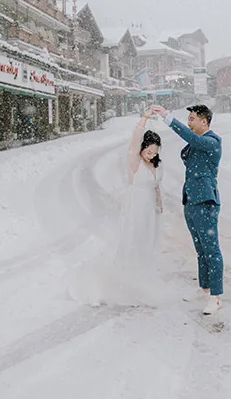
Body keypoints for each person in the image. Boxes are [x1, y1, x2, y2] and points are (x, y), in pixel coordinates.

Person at [68, 107, 168, 307]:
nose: (151, 155)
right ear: (141, 148)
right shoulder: (134, 161)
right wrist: (145, 116)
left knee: (147, 242)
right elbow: (134, 139)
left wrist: (159, 204)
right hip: (136, 205)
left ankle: (142, 280)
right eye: (148, 151)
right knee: (132, 241)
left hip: (150, 210)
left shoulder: (156, 164)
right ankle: (125, 283)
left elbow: (156, 186)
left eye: (155, 152)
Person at [151, 104, 224, 315]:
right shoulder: (197, 143)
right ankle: (205, 287)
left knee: (211, 250)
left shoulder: (212, 141)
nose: (190, 122)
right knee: (200, 249)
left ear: (204, 121)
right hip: (191, 200)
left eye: (192, 119)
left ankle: (216, 296)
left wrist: (168, 118)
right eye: (188, 119)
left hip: (206, 201)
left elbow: (193, 140)